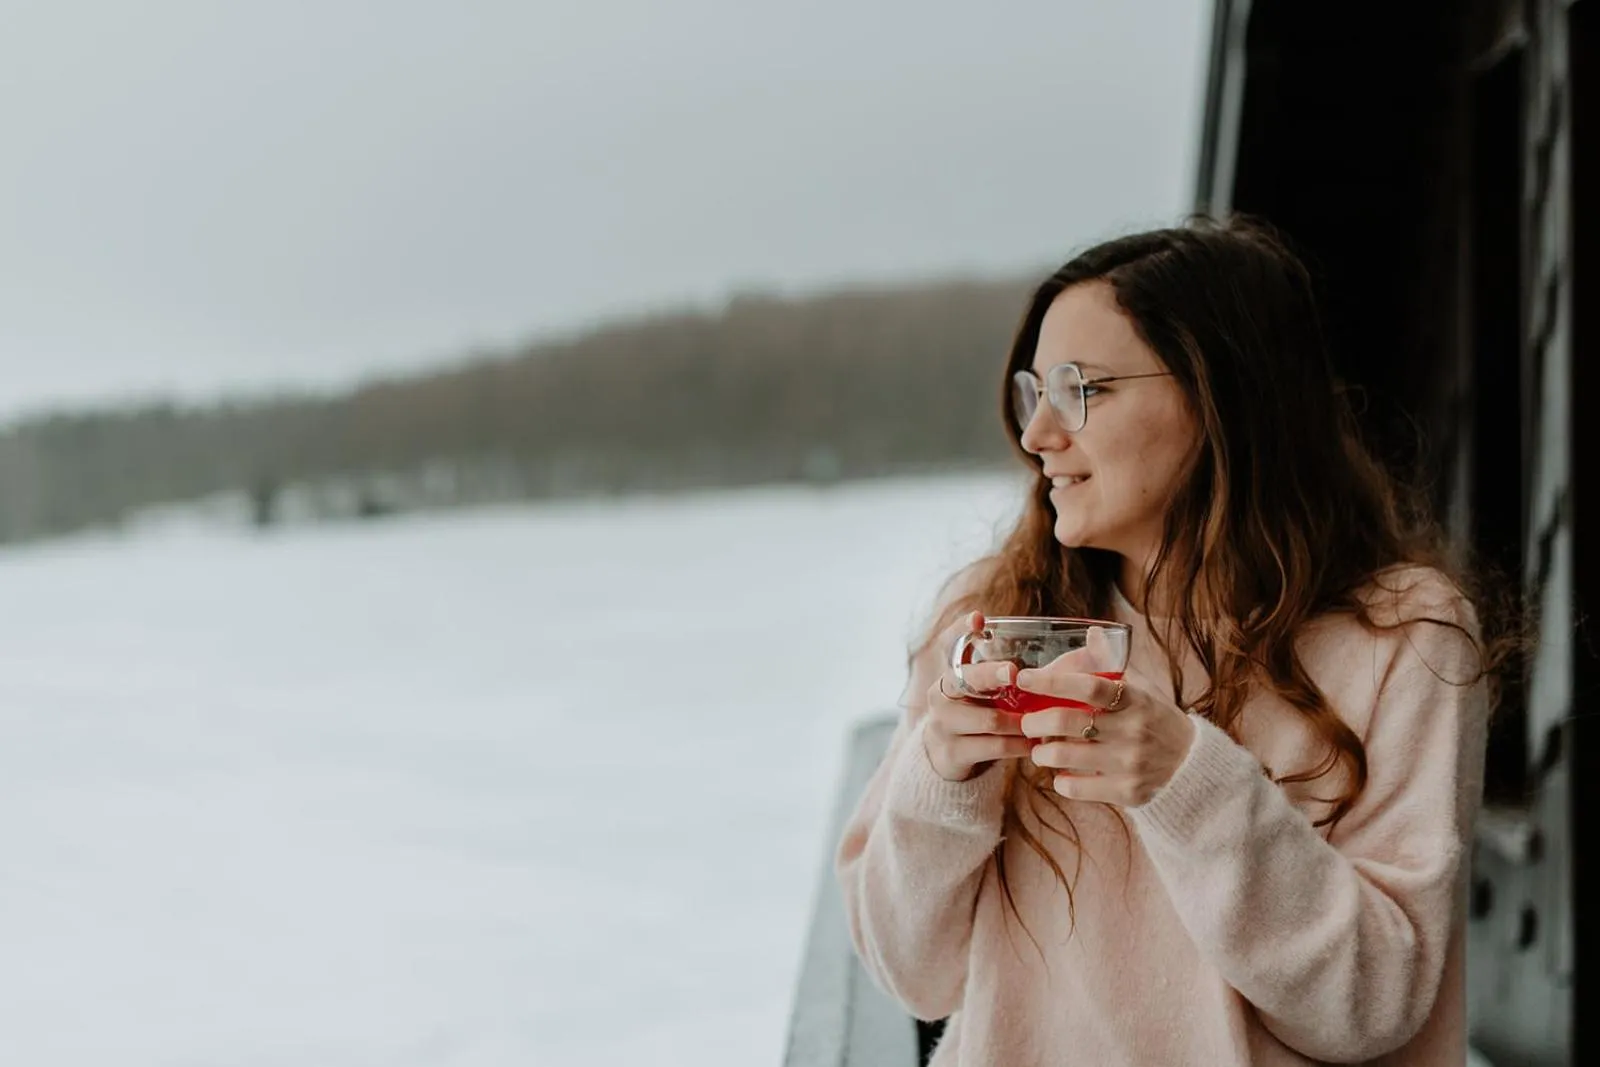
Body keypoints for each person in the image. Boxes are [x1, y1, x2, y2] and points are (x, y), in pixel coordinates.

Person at [836, 217, 1504, 1065]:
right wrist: (943, 782)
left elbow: (1372, 1005)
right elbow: (911, 976)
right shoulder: (990, 616)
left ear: (1221, 394)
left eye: (1082, 388)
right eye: (1031, 391)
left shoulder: (1403, 638)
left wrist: (1191, 782)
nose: (1038, 434)